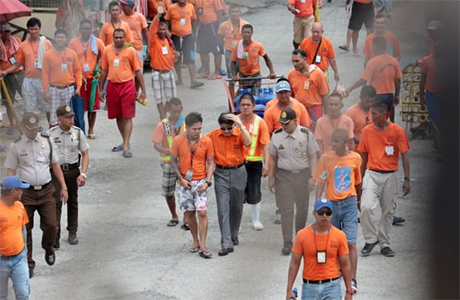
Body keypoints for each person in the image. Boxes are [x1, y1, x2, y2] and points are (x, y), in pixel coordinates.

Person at [4, 112, 69, 278]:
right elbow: (11, 170)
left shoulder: (46, 141)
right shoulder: (16, 145)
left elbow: (55, 164)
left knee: (52, 224)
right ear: (24, 127)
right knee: (25, 229)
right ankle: (28, 262)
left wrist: (63, 186)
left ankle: (48, 247)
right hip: (26, 192)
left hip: (47, 189)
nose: (34, 132)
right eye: (30, 129)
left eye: (36, 128)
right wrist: (9, 194)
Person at [358, 101, 411, 257]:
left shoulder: (397, 131)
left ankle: (385, 243)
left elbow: (404, 155)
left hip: (390, 175)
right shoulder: (367, 131)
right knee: (366, 207)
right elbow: (363, 155)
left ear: (384, 114)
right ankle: (370, 239)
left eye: (374, 113)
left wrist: (407, 178)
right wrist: (359, 180)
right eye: (371, 113)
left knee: (388, 212)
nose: (371, 116)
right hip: (372, 173)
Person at [314, 128, 362, 293]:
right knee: (330, 242)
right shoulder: (326, 158)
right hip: (331, 204)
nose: (333, 144)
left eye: (337, 141)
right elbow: (321, 181)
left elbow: (358, 182)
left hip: (349, 203)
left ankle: (353, 279)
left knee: (351, 243)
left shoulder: (355, 158)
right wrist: (317, 204)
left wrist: (359, 201)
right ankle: (332, 274)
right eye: (332, 141)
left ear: (346, 143)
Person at [268, 108, 318, 255]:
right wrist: (271, 178)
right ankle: (287, 242)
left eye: (287, 123)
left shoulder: (306, 134)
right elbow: (272, 158)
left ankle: (300, 238)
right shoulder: (277, 136)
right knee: (286, 210)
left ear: (296, 121)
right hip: (284, 177)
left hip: (302, 175)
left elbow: (313, 156)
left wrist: (313, 176)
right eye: (282, 123)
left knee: (302, 209)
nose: (284, 126)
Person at [286, 198, 354, 300]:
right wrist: (289, 289)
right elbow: (294, 263)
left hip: (332, 286)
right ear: (314, 213)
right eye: (321, 212)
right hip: (309, 287)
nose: (324, 215)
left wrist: (349, 291)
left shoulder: (340, 235)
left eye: (328, 212)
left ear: (331, 214)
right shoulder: (302, 235)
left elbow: (345, 264)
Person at [170, 112, 214, 259]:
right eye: (194, 129)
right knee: (189, 213)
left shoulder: (206, 141)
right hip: (185, 182)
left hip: (201, 181)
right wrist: (181, 179)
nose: (197, 132)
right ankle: (195, 239)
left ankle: (203, 244)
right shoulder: (178, 140)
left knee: (202, 212)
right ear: (187, 128)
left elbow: (210, 162)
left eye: (200, 128)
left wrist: (207, 182)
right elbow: (173, 161)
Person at [207, 113, 251, 256]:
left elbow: (249, 142)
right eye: (223, 128)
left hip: (238, 171)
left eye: (229, 128)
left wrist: (239, 123)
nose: (226, 131)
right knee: (222, 208)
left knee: (237, 206)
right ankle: (226, 243)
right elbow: (202, 145)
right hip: (221, 174)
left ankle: (233, 234)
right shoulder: (213, 135)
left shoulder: (239, 133)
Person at [99, 29, 146, 158]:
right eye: (116, 37)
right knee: (118, 116)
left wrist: (143, 90)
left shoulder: (131, 51)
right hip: (112, 86)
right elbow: (103, 70)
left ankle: (125, 145)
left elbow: (138, 72)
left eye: (121, 37)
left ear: (125, 38)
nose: (118, 40)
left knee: (128, 116)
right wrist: (101, 89)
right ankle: (126, 141)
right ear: (113, 38)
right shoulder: (107, 50)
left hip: (127, 86)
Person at [48, 105, 89, 249]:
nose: (71, 119)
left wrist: (83, 173)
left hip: (72, 170)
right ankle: (55, 235)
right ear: (59, 119)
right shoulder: (50, 135)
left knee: (72, 201)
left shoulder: (78, 133)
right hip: (55, 172)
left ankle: (72, 231)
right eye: (68, 117)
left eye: (72, 116)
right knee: (56, 203)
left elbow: (85, 153)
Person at [0, 18, 53, 126]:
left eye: (36, 29)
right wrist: (6, 71)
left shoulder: (47, 43)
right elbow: (17, 63)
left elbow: (53, 60)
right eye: (31, 29)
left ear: (39, 29)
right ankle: (34, 130)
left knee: (48, 106)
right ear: (28, 29)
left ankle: (52, 129)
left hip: (44, 80)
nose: (34, 31)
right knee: (30, 108)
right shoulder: (23, 45)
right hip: (29, 80)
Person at [345, 36, 401, 122]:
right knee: (387, 121)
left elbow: (363, 79)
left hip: (376, 96)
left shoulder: (372, 62)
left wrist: (351, 88)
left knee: (375, 121)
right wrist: (397, 94)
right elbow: (398, 80)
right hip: (389, 95)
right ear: (385, 47)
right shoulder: (394, 61)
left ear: (374, 47)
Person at [151, 98, 186, 228]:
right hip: (168, 163)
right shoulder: (163, 125)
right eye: (173, 111)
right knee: (168, 191)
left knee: (187, 189)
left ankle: (186, 217)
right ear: (168, 110)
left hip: (185, 162)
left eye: (178, 111)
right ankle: (174, 215)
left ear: (181, 109)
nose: (176, 114)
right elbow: (156, 145)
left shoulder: (186, 123)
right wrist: (168, 152)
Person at [237, 93, 270, 230]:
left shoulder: (260, 122)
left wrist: (267, 164)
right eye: (243, 105)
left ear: (253, 106)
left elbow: (266, 145)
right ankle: (236, 223)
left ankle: (256, 220)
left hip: (254, 163)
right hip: (237, 164)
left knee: (255, 193)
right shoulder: (234, 121)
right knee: (237, 194)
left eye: (248, 105)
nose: (245, 107)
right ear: (239, 106)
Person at [68, 19, 105, 139]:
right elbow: (69, 60)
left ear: (91, 30)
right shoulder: (73, 43)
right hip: (79, 80)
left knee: (92, 107)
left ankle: (91, 129)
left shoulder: (98, 42)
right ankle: (79, 129)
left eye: (88, 28)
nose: (86, 31)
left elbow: (104, 59)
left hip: (92, 80)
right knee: (79, 107)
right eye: (83, 28)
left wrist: (99, 72)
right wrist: (77, 76)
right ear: (80, 30)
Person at [42, 29, 83, 128]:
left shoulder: (72, 54)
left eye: (62, 37)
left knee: (69, 115)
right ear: (55, 39)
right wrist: (46, 91)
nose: (60, 39)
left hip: (68, 89)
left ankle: (69, 137)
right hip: (54, 89)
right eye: (58, 37)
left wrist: (78, 87)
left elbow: (78, 71)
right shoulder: (48, 54)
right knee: (54, 116)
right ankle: (53, 138)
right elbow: (45, 74)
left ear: (66, 39)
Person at [0, 176, 30, 300]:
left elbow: (23, 229)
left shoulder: (20, 206)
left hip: (19, 258)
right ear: (13, 191)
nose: (22, 192)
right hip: (1, 260)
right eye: (20, 189)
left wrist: (25, 252)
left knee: (23, 294)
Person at [165, 0, 204, 89]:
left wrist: (195, 33)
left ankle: (193, 81)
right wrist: (168, 31)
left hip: (188, 36)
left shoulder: (190, 6)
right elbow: (167, 20)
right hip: (175, 36)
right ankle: (179, 79)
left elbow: (194, 19)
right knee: (176, 58)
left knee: (190, 57)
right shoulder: (172, 7)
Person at [288, 49, 329, 128]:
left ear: (305, 59)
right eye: (293, 61)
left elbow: (325, 95)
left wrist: (327, 116)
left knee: (315, 133)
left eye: (297, 61)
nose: (294, 64)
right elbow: (291, 95)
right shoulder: (291, 74)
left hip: (315, 109)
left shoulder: (317, 73)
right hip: (299, 109)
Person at [148, 16, 178, 120]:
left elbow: (172, 58)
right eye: (160, 29)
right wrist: (157, 15)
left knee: (171, 99)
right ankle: (163, 119)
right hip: (157, 74)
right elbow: (151, 29)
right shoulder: (153, 40)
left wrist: (176, 56)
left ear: (167, 29)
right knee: (159, 98)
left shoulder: (169, 42)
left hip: (169, 73)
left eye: (164, 29)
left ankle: (164, 117)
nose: (162, 31)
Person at [231, 24, 276, 92]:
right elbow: (233, 62)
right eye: (244, 32)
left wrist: (272, 72)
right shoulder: (238, 47)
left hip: (256, 76)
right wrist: (234, 75)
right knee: (243, 97)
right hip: (243, 77)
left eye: (248, 32)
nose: (246, 34)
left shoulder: (258, 45)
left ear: (252, 33)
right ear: (241, 33)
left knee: (256, 96)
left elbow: (267, 59)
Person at [217, 4, 249, 99]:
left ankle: (240, 96)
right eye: (233, 12)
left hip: (243, 52)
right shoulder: (223, 25)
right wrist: (225, 46)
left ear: (240, 12)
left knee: (244, 75)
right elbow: (219, 37)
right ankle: (231, 98)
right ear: (229, 13)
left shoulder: (245, 24)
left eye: (236, 12)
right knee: (231, 76)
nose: (234, 14)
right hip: (230, 52)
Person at [0, 23, 24, 135]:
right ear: (1, 32)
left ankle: (30, 121)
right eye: (4, 31)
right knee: (9, 101)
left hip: (19, 73)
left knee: (27, 97)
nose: (7, 33)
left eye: (9, 31)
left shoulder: (17, 41)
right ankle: (12, 124)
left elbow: (23, 54)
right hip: (5, 76)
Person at [420, 44, 442, 154]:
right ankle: (439, 148)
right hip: (431, 95)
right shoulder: (427, 61)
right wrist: (421, 97)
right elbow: (422, 80)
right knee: (436, 122)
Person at [195, 0, 224, 80]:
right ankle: (207, 72)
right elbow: (197, 15)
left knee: (216, 50)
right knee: (203, 50)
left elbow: (219, 12)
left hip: (213, 25)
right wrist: (195, 30)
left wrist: (219, 28)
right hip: (202, 26)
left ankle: (217, 72)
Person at [120, 0, 149, 78]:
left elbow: (146, 32)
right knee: (127, 71)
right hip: (125, 49)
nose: (122, 7)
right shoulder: (120, 18)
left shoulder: (139, 16)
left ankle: (137, 90)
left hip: (137, 48)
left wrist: (149, 47)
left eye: (124, 5)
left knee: (139, 71)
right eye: (121, 5)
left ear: (130, 6)